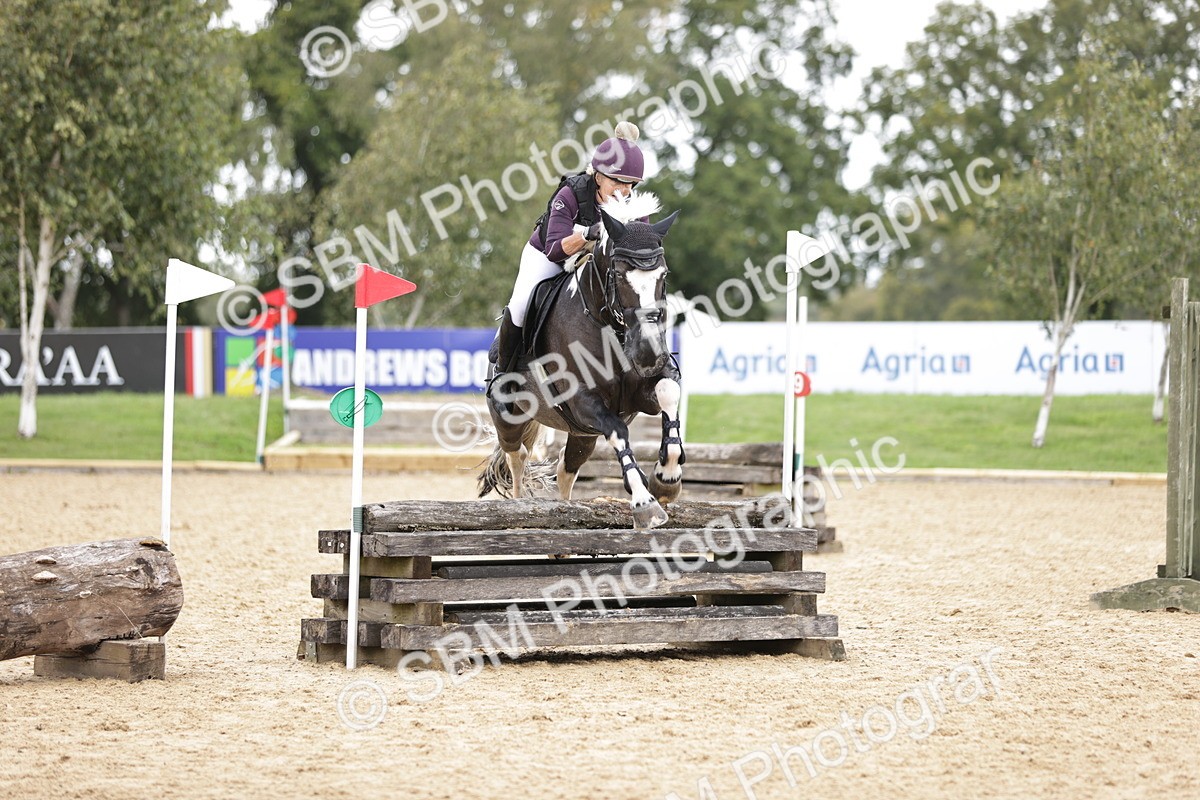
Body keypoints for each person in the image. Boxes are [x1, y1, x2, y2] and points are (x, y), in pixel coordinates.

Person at [491, 120, 645, 373]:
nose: (623, 190)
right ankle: (503, 375)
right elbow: (554, 250)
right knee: (520, 304)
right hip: (548, 255)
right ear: (597, 176)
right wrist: (588, 233)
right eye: (616, 181)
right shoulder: (570, 194)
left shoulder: (634, 206)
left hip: (593, 264)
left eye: (629, 184)